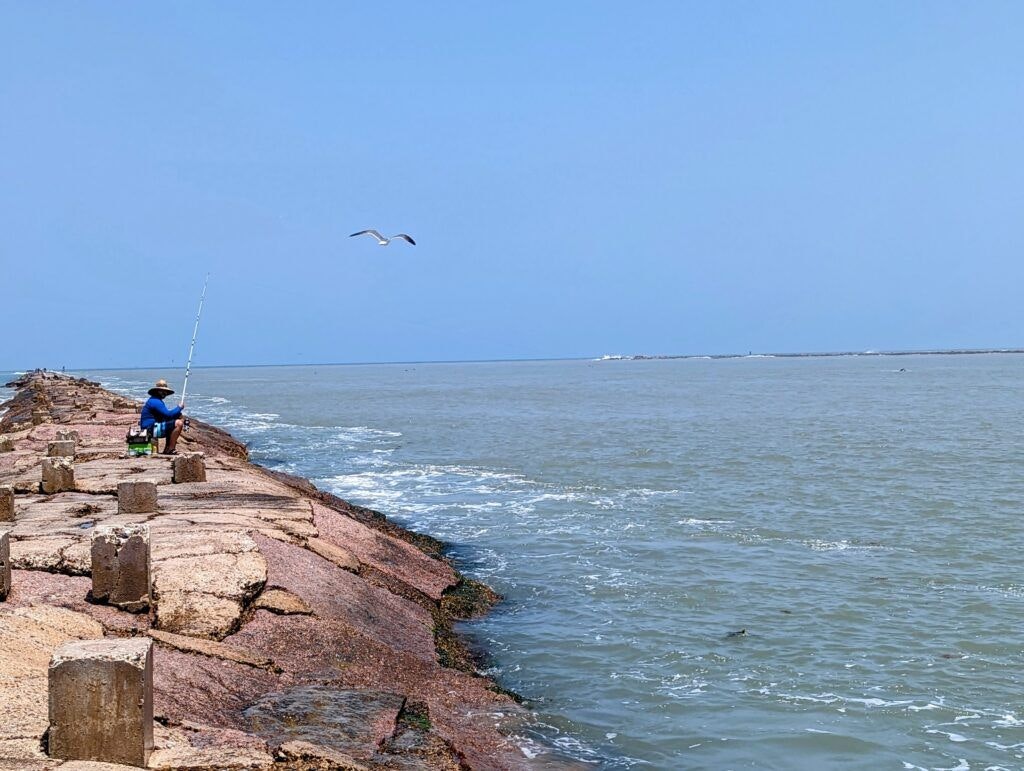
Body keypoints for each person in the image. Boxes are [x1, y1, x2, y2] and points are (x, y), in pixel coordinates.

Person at [139, 379, 185, 455]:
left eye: (165, 391)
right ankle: (171, 449)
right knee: (178, 424)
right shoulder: (155, 401)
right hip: (149, 429)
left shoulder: (155, 400)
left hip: (151, 427)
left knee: (172, 423)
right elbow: (168, 414)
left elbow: (167, 416)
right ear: (157, 391)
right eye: (162, 391)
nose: (164, 393)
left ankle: (167, 448)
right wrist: (179, 407)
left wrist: (178, 414)